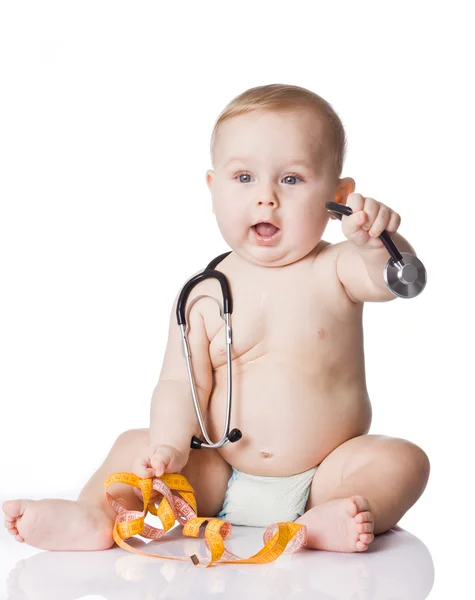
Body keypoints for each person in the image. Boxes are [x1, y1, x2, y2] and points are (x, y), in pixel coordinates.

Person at [2, 83, 430, 553]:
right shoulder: (204, 294)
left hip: (324, 475)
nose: (266, 198)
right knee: (132, 442)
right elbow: (180, 386)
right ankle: (95, 515)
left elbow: (388, 279)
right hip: (220, 474)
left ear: (338, 196)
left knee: (402, 459)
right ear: (213, 188)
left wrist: (379, 242)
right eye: (244, 177)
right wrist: (169, 445)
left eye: (291, 180)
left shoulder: (337, 268)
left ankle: (332, 517)